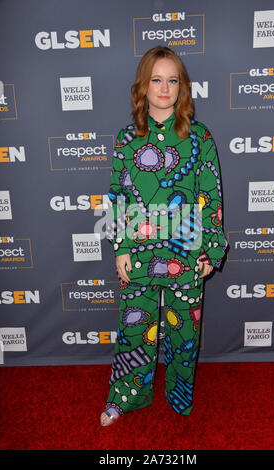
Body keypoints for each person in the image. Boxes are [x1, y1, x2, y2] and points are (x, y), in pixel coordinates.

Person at [100, 46, 228, 426]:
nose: (165, 87)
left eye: (173, 80)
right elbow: (117, 198)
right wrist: (120, 247)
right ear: (143, 86)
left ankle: (179, 397)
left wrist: (211, 250)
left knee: (183, 333)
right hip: (137, 251)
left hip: (186, 250)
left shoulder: (199, 137)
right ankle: (125, 396)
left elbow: (212, 198)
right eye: (157, 79)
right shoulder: (126, 139)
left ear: (182, 87)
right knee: (134, 329)